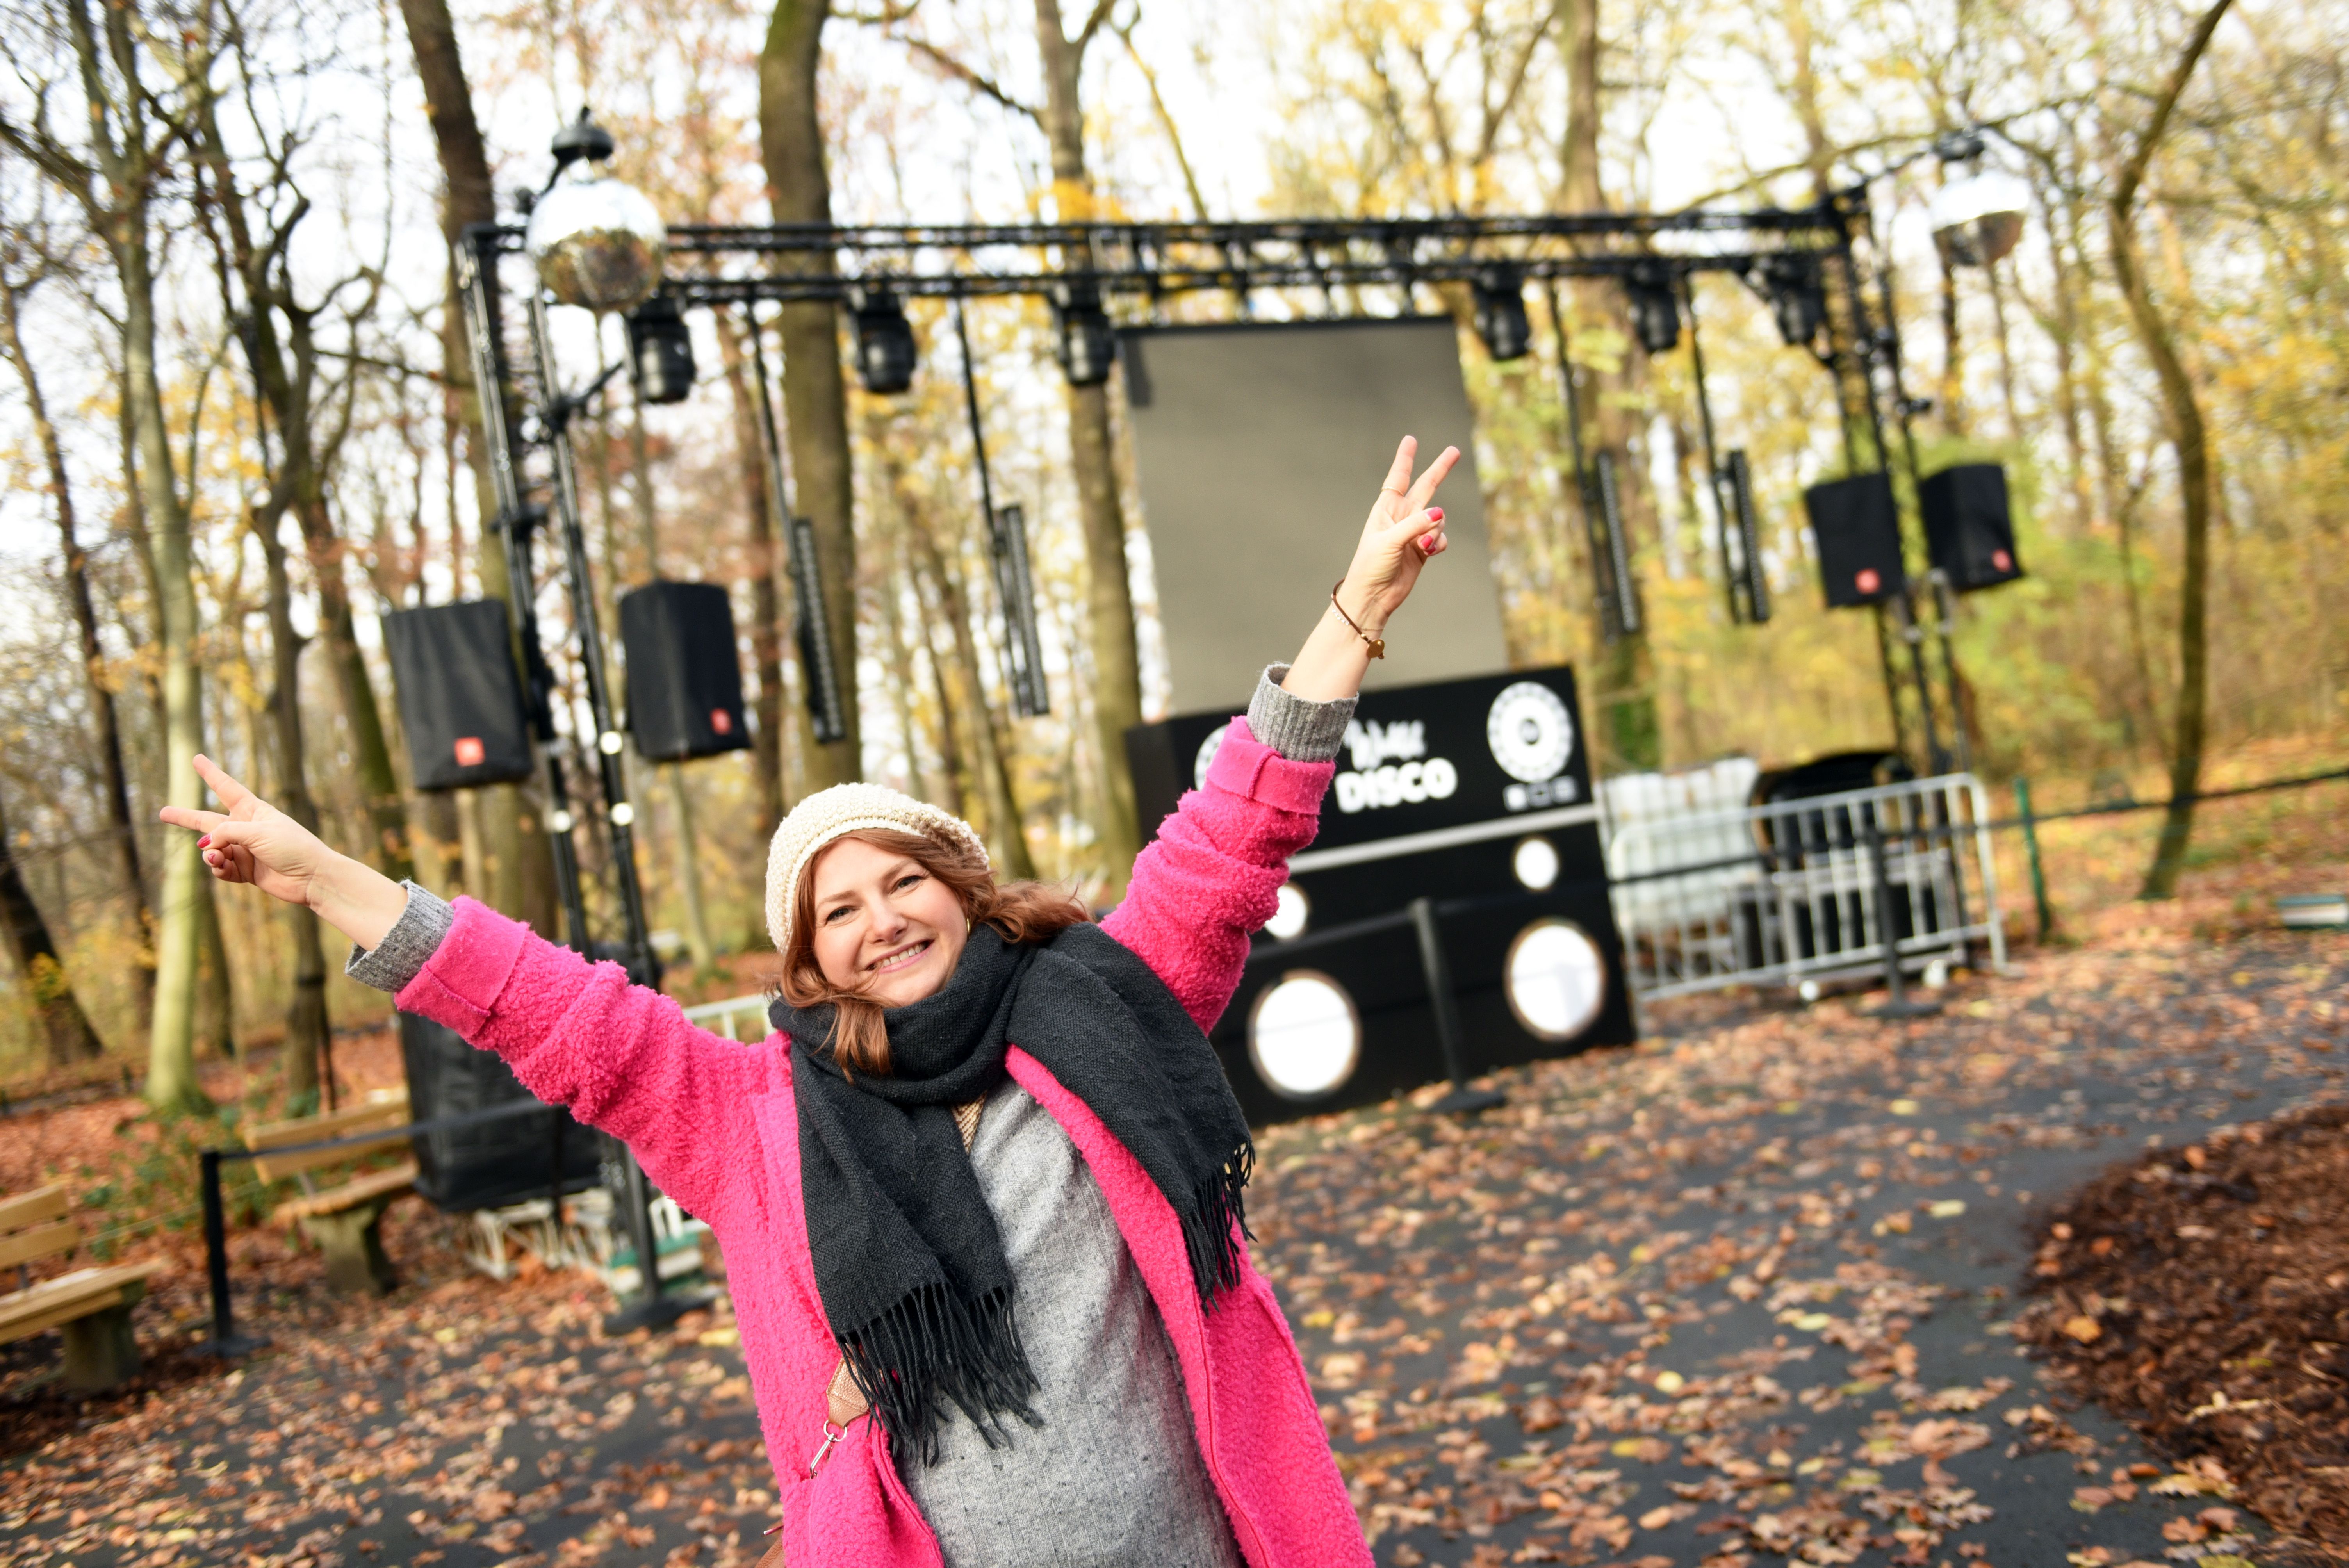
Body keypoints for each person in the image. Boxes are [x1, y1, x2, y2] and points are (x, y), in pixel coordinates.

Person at [166, 436, 1460, 1568]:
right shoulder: (752, 1120)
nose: (881, 919)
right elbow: (549, 1010)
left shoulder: (1101, 1003)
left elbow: (1228, 844)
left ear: (963, 890)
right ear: (810, 961)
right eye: (837, 911)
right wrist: (327, 879)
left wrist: (1353, 613)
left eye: (904, 882)